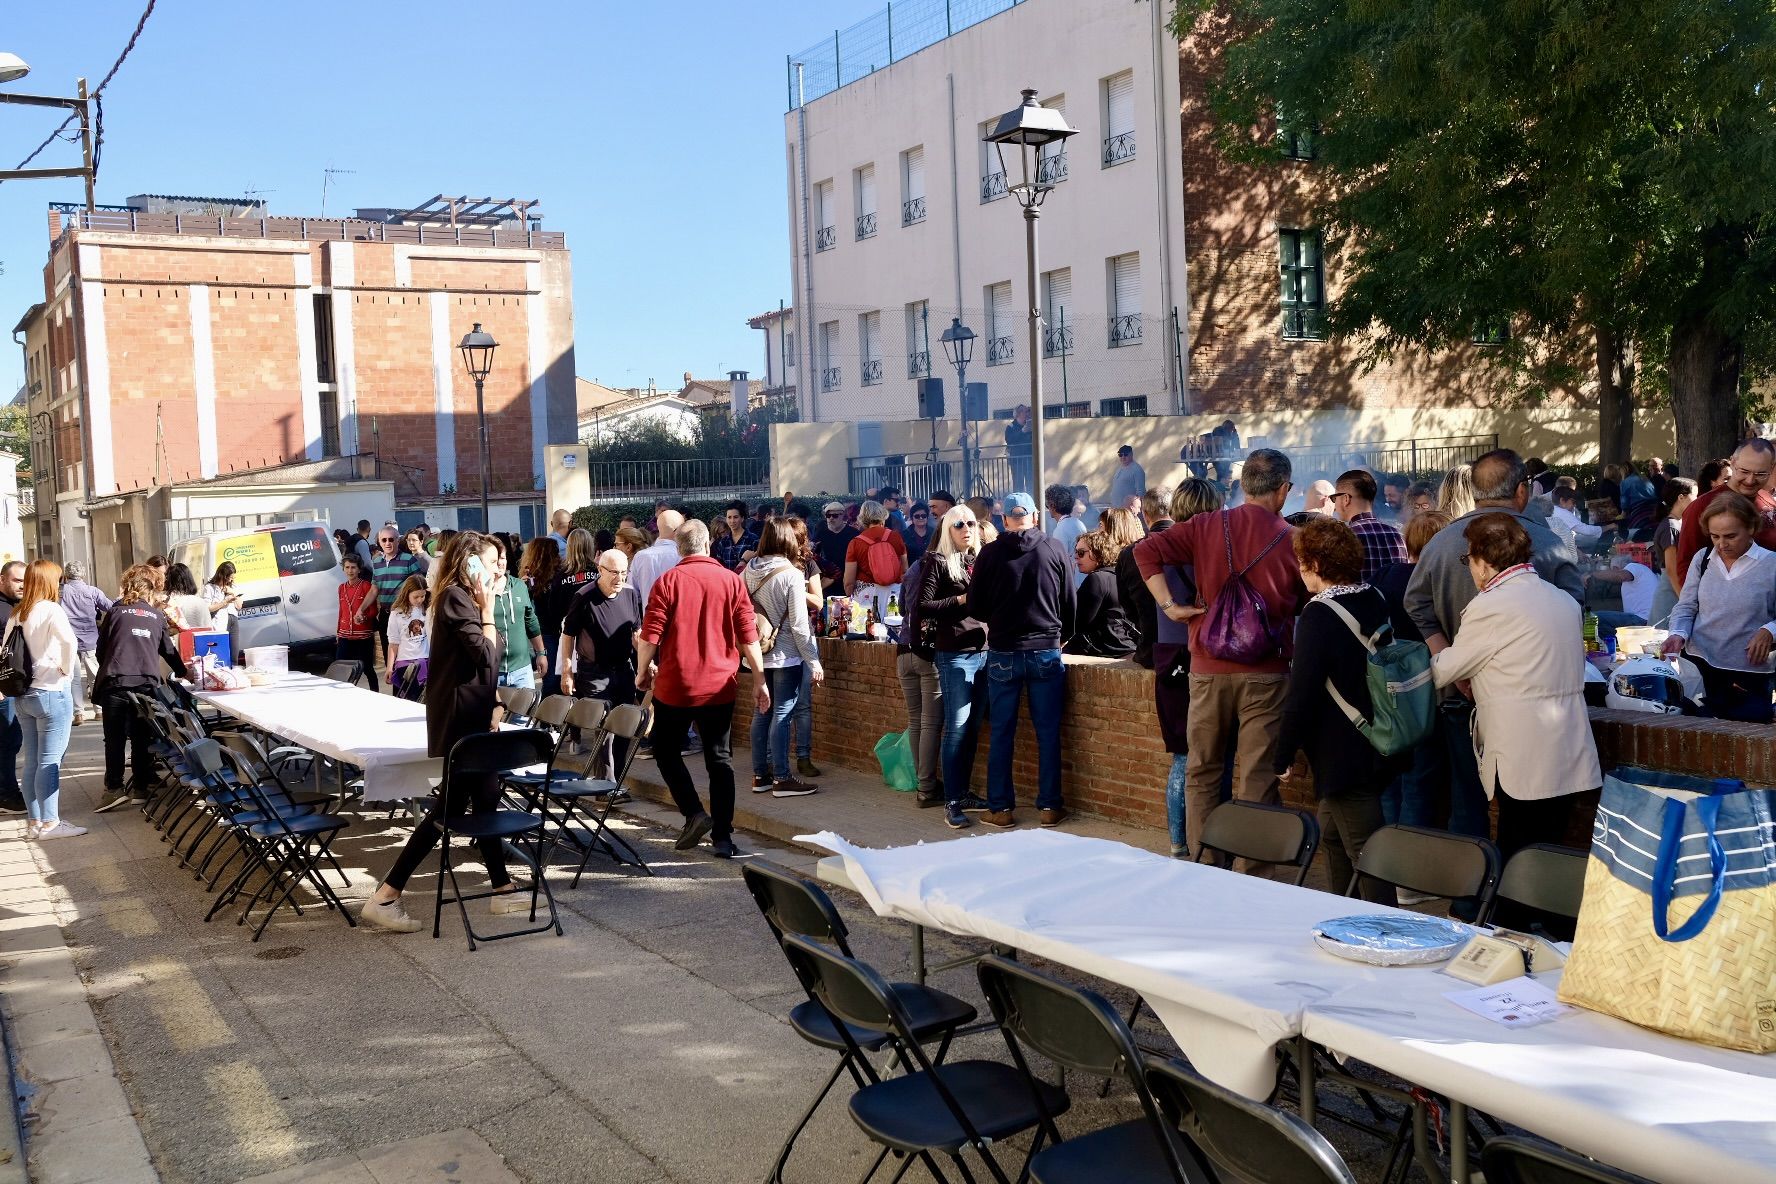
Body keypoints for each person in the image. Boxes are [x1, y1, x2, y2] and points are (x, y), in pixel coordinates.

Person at [1405, 449, 1584, 847]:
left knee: (1470, 802)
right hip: (1526, 703)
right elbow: (1575, 606)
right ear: (1522, 490)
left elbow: (1414, 602)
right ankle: (1511, 899)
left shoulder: (1438, 544)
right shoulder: (1549, 543)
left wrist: (1447, 656)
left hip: (1463, 696)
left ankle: (1475, 900)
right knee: (1525, 815)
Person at [1135, 448, 1304, 870]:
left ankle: (1207, 866)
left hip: (1207, 666)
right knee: (1257, 777)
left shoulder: (1207, 525)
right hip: (1267, 672)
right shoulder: (1293, 539)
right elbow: (1303, 601)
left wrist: (1171, 606)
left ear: (1244, 484)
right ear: (1283, 490)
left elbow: (1145, 553)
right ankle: (1252, 872)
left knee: (1203, 770)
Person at [360, 532, 533, 932]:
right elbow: (488, 658)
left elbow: (476, 668)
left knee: (486, 799)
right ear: (471, 564)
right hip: (460, 724)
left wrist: (493, 702)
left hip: (473, 716)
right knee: (449, 811)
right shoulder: (457, 597)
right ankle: (386, 895)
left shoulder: (462, 598)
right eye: (491, 563)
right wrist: (488, 612)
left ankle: (502, 890)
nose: (497, 569)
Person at [1433, 514, 1601, 863]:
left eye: (1468, 559)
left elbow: (1446, 669)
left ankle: (1513, 918)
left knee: (1517, 851)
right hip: (1569, 744)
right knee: (1552, 846)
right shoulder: (1564, 600)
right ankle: (1545, 917)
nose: (1470, 568)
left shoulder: (1490, 606)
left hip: (1522, 751)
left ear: (1483, 561)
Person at [1274, 518, 1397, 903]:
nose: (1299, 570)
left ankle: (1386, 928)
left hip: (1343, 748)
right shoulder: (1373, 596)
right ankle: (1343, 909)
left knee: (1367, 850)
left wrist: (1283, 753)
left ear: (1316, 563)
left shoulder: (1318, 614)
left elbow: (1303, 691)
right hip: (1377, 733)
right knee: (1331, 833)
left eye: (1302, 562)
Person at [637, 521, 770, 859]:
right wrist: (759, 678)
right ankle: (723, 837)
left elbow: (650, 635)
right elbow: (747, 636)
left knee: (666, 752)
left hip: (675, 685)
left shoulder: (667, 581)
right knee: (719, 759)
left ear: (680, 548)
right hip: (719, 687)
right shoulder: (730, 580)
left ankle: (694, 813)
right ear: (708, 544)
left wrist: (641, 672)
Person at [970, 491, 1077, 828]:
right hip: (1046, 647)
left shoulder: (990, 553)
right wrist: (1061, 636)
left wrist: (998, 620)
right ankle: (1049, 807)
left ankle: (1000, 808)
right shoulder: (1054, 548)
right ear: (1034, 517)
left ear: (1005, 520)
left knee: (1002, 731)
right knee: (1048, 732)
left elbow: (975, 607)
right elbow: (1070, 602)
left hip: (1004, 649)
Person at [1663, 492, 1776, 723]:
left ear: (1751, 529)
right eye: (1715, 536)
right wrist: (1677, 633)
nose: (1722, 544)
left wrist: (1770, 630)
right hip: (1701, 664)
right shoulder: (1702, 559)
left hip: (1749, 671)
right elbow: (1686, 607)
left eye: (1731, 536)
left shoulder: (1771, 564)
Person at [92, 565, 190, 813]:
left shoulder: (115, 613)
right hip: (146, 684)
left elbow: (100, 650)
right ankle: (140, 787)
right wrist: (182, 671)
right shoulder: (157, 617)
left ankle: (113, 789)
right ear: (154, 589)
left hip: (116, 681)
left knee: (113, 739)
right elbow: (169, 651)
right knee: (140, 737)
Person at [920, 505, 993, 829]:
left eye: (971, 523)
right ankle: (951, 800)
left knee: (973, 727)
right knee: (958, 728)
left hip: (985, 651)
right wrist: (961, 601)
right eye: (959, 524)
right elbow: (922, 605)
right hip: (954, 654)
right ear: (949, 529)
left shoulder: (980, 560)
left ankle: (962, 792)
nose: (966, 529)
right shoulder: (936, 561)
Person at [743, 520, 825, 798]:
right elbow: (801, 626)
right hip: (786, 653)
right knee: (782, 713)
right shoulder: (790, 573)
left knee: (761, 711)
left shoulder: (748, 570)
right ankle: (782, 778)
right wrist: (813, 661)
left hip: (757, 650)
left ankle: (760, 775)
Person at [9, 560, 82, 838]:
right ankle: (51, 823)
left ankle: (34, 823)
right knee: (49, 761)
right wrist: (65, 668)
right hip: (51, 691)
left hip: (24, 694)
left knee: (32, 761)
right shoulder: (51, 609)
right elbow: (69, 642)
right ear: (49, 581)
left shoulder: (18, 613)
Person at [558, 547, 642, 777]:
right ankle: (604, 784)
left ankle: (616, 780)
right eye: (614, 572)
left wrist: (647, 661)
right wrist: (567, 670)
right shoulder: (584, 596)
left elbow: (636, 633)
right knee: (604, 727)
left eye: (624, 572)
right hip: (594, 671)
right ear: (600, 570)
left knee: (625, 725)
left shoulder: (631, 594)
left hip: (624, 669)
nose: (619, 578)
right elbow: (569, 634)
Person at [1674, 438, 1776, 583]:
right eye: (1744, 471)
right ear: (1732, 462)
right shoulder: (1703, 505)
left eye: (1760, 474)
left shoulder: (1768, 499)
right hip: (1724, 601)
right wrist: (1693, 604)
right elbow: (1686, 564)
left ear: (1771, 468)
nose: (1750, 480)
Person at [895, 542, 943, 807]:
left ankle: (922, 782)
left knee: (916, 720)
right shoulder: (944, 568)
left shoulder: (914, 567)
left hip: (904, 649)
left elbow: (902, 607)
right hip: (927, 651)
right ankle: (926, 787)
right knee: (930, 724)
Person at [783, 513, 826, 779]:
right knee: (778, 706)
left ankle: (803, 756)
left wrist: (798, 586)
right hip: (780, 639)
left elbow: (819, 602)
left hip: (805, 636)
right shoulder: (767, 564)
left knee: (803, 704)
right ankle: (772, 759)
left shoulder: (808, 565)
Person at [1123, 487, 1175, 669]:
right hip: (1187, 646)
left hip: (1150, 647)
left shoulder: (1129, 553)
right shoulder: (1191, 544)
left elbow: (1126, 605)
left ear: (1145, 515)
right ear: (1174, 511)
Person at [1067, 529, 1137, 658]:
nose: (1076, 556)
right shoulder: (1118, 575)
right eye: (1076, 552)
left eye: (1081, 553)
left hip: (1109, 651)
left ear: (1098, 553)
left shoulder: (1097, 579)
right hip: (1126, 647)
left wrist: (1067, 581)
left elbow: (1076, 622)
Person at [1330, 469, 1407, 582]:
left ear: (1345, 499)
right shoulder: (1399, 535)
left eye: (1334, 498)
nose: (1335, 505)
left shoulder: (1343, 538)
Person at [59, 561, 112, 724]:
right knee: (95, 676)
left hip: (68, 639)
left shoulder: (60, 592)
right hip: (90, 639)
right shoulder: (92, 591)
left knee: (73, 677)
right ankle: (99, 711)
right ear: (83, 575)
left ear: (66, 575)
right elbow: (110, 607)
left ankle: (78, 714)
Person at [487, 544, 546, 690]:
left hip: (522, 670)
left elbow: (531, 621)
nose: (500, 563)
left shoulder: (519, 585)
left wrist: (541, 653)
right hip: (492, 672)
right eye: (495, 560)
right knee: (491, 713)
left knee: (523, 713)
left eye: (503, 558)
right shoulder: (479, 590)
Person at [370, 525, 423, 674]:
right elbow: (374, 589)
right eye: (384, 540)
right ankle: (395, 690)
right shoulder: (376, 562)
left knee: (405, 656)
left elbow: (419, 587)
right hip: (386, 614)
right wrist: (361, 609)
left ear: (398, 541)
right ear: (379, 542)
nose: (388, 543)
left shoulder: (409, 560)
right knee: (390, 659)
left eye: (391, 539)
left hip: (405, 615)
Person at [843, 500, 907, 619]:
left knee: (866, 632)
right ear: (883, 515)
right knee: (893, 632)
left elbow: (849, 581)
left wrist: (849, 595)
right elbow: (905, 569)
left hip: (867, 595)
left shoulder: (856, 542)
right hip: (893, 594)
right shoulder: (895, 537)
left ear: (862, 518)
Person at [1650, 478, 1697, 626]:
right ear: (1681, 497)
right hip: (1671, 591)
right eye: (1694, 496)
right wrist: (1684, 600)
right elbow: (1671, 569)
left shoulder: (1678, 523)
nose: (1696, 500)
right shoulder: (1671, 526)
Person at [0, 562, 24, 816]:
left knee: (10, 741)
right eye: (17, 580)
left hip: (7, 688)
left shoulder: (11, 607)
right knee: (7, 742)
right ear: (2, 579)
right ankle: (6, 795)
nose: (22, 586)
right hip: (1, 690)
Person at [334, 554, 379, 690]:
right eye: (347, 567)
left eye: (353, 567)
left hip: (363, 636)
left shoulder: (366, 586)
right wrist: (338, 632)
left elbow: (373, 611)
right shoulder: (341, 588)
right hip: (344, 636)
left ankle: (375, 694)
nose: (350, 571)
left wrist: (364, 617)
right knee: (341, 668)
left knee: (367, 669)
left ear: (359, 569)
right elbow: (341, 611)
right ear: (343, 569)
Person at [630, 508, 685, 609]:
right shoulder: (684, 556)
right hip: (680, 620)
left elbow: (631, 594)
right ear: (679, 530)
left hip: (650, 619)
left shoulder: (640, 557)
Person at [1587, 552, 1660, 628]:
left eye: (1612, 569)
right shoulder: (1643, 571)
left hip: (1641, 619)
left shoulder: (1633, 567)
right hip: (1647, 619)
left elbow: (1621, 576)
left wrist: (1592, 574)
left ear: (1616, 567)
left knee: (1592, 618)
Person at [386, 575, 430, 700]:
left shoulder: (428, 610)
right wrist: (390, 667)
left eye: (423, 596)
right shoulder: (396, 613)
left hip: (424, 661)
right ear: (407, 593)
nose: (420, 600)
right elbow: (393, 642)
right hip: (404, 663)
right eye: (416, 597)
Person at [811, 502, 858, 599]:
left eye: (835, 515)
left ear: (843, 516)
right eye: (828, 515)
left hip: (847, 580)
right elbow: (813, 554)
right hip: (828, 582)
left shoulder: (853, 534)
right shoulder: (821, 533)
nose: (831, 518)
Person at [1045, 484, 1086, 584]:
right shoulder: (1078, 523)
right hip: (1082, 578)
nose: (1047, 508)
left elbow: (1060, 562)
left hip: (1073, 582)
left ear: (1053, 506)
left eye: (1047, 505)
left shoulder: (1060, 529)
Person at [163, 563, 213, 632]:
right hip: (202, 640)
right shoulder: (201, 601)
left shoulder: (169, 603)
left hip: (179, 641)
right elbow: (209, 629)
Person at [714, 500, 759, 572]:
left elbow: (757, 566)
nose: (732, 521)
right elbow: (719, 568)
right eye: (729, 517)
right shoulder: (723, 542)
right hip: (728, 581)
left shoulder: (753, 540)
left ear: (742, 518)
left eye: (735, 517)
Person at [1005, 404, 1033, 491]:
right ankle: (1018, 503)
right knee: (1018, 484)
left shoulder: (1031, 425)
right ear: (1019, 414)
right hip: (1017, 461)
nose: (1028, 413)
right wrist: (1022, 431)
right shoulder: (1011, 427)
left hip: (1029, 459)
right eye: (1026, 411)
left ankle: (1032, 502)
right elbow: (1009, 440)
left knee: (1031, 483)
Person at [1109, 444, 1146, 510]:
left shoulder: (1137, 470)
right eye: (1120, 455)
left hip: (1128, 510)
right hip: (1116, 508)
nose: (1123, 457)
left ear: (1131, 455)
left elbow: (1141, 493)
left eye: (1125, 454)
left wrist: (1137, 510)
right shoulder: (1121, 468)